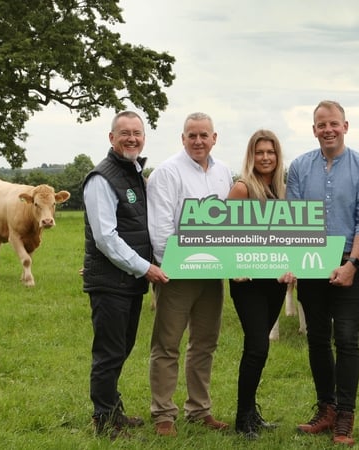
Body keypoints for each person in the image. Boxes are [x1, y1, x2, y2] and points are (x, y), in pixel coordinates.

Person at [286, 100, 359, 446]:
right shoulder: (299, 167)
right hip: (310, 263)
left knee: (345, 337)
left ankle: (345, 415)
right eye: (321, 125)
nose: (328, 130)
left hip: (346, 263)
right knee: (316, 337)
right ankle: (325, 408)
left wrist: (352, 265)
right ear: (314, 129)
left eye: (333, 124)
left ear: (345, 126)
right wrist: (294, 264)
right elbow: (293, 218)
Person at [146, 112, 233, 437]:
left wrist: (231, 263)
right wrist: (171, 266)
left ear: (214, 138)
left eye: (204, 135)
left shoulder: (224, 172)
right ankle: (163, 414)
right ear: (183, 138)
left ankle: (199, 409)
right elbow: (160, 225)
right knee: (167, 344)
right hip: (177, 273)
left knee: (205, 342)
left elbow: (229, 223)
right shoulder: (167, 172)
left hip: (212, 273)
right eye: (192, 135)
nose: (198, 141)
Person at [82, 111, 166, 439]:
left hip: (126, 281)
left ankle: (113, 411)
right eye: (125, 133)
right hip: (113, 283)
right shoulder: (102, 178)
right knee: (108, 353)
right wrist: (145, 267)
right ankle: (104, 421)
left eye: (137, 133)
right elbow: (105, 237)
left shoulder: (132, 174)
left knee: (122, 348)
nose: (132, 138)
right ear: (111, 138)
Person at [228, 129, 296, 439]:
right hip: (249, 281)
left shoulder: (285, 190)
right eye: (260, 152)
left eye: (271, 152)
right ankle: (242, 419)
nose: (266, 157)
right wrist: (240, 267)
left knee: (262, 346)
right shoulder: (242, 188)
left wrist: (293, 266)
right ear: (251, 156)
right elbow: (226, 236)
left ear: (278, 156)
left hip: (276, 281)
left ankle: (252, 413)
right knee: (256, 345)